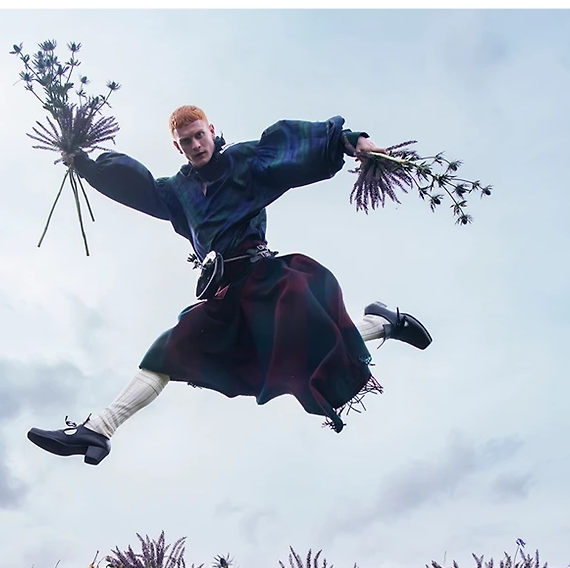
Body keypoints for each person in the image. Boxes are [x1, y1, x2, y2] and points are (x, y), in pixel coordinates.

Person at [27, 107, 432, 465]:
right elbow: (137, 186)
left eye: (200, 135)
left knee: (310, 351)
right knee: (167, 352)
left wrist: (351, 141)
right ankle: (99, 428)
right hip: (223, 297)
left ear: (212, 131)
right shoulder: (177, 192)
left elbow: (292, 149)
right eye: (186, 141)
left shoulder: (245, 162)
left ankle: (383, 323)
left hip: (268, 281)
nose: (196, 144)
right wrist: (83, 162)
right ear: (177, 147)